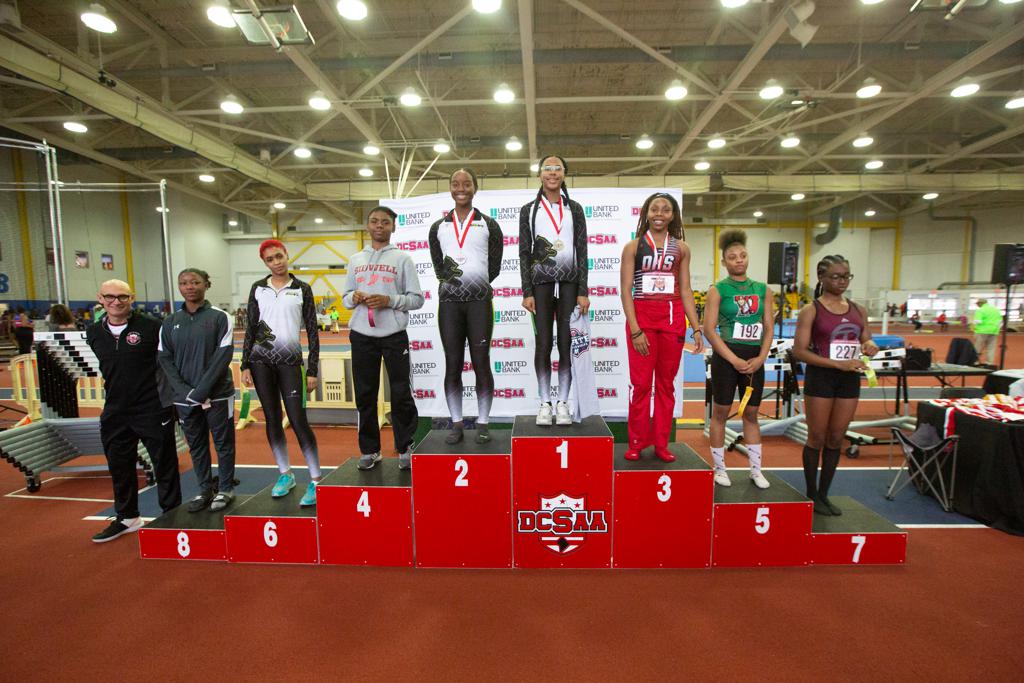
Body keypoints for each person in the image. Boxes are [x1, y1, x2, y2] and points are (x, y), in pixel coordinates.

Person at [86, 279, 182, 542]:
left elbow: (169, 363)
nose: (116, 302)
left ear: (132, 298)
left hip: (152, 407)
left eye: (122, 297)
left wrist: (174, 402)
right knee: (119, 464)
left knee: (165, 464)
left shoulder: (152, 327)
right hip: (115, 409)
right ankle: (127, 517)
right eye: (110, 297)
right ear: (100, 298)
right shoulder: (94, 331)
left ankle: (172, 516)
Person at [619, 192, 703, 463]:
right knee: (641, 385)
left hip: (672, 322)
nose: (659, 214)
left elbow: (687, 290)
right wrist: (635, 329)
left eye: (665, 210)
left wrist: (697, 328)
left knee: (666, 386)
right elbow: (625, 290)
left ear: (673, 215)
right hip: (642, 323)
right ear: (646, 213)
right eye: (654, 209)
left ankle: (661, 444)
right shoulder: (633, 247)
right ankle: (636, 442)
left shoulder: (682, 248)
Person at [792, 255, 878, 516]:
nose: (842, 281)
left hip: (849, 379)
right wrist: (836, 364)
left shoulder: (858, 309)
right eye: (836, 276)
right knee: (817, 437)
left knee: (836, 438)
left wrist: (870, 346)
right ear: (822, 278)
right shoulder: (812, 311)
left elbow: (865, 339)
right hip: (822, 378)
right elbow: (799, 351)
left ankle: (825, 494)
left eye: (846, 276)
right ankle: (811, 493)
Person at [240, 239, 322, 507]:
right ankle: (285, 475)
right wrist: (245, 364)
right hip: (261, 362)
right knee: (272, 419)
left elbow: (312, 331)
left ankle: (316, 479)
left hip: (290, 363)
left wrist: (312, 369)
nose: (277, 262)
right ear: (265, 263)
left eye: (279, 256)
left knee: (298, 420)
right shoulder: (258, 289)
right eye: (270, 260)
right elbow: (251, 328)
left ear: (287, 255)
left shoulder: (302, 289)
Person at [343, 206, 424, 470]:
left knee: (400, 393)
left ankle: (405, 447)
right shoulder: (355, 260)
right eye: (375, 221)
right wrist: (353, 298)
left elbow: (416, 299)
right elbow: (345, 299)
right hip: (362, 336)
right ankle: (370, 450)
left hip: (393, 335)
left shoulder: (403, 259)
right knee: (365, 394)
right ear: (367, 225)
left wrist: (389, 300)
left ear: (393, 227)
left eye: (385, 222)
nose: (379, 226)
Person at [429, 168, 503, 445]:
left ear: (475, 188)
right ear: (450, 188)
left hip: (479, 304)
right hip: (449, 304)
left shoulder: (489, 225)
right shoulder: (438, 227)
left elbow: (492, 266)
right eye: (455, 183)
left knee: (481, 364)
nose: (461, 187)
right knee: (453, 365)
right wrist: (456, 283)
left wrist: (475, 283)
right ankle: (457, 422)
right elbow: (439, 266)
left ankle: (483, 422)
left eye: (467, 183)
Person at [519, 154, 590, 426]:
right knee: (544, 344)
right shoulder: (529, 210)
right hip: (541, 284)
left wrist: (583, 289)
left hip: (571, 283)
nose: (552, 172)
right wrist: (527, 291)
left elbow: (582, 250)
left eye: (557, 168)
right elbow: (524, 252)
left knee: (566, 343)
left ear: (564, 174)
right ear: (540, 174)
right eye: (547, 168)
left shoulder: (575, 208)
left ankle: (563, 402)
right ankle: (544, 403)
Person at [158, 268, 237, 513]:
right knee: (197, 445)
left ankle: (225, 488)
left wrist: (200, 391)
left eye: (195, 282)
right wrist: (185, 392)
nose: (189, 286)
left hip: (218, 395)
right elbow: (165, 358)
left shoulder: (221, 317)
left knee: (224, 443)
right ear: (179, 287)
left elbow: (222, 356)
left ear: (206, 284)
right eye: (184, 283)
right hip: (184, 399)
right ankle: (204, 489)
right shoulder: (170, 322)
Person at [703, 229, 774, 488]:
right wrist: (732, 359)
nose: (739, 260)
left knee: (752, 413)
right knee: (720, 412)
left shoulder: (762, 290)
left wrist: (762, 357)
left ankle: (756, 470)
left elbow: (768, 327)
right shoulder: (718, 290)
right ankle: (720, 468)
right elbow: (709, 330)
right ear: (724, 261)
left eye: (742, 256)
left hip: (754, 358)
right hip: (726, 357)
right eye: (732, 257)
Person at [972, 298, 1002, 366]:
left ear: (980, 303)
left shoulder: (980, 310)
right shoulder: (996, 310)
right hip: (994, 331)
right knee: (991, 348)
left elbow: (978, 321)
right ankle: (989, 362)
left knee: (977, 347)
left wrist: (974, 326)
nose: (977, 305)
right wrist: (996, 329)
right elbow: (1000, 322)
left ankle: (975, 361)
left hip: (982, 331)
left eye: (977, 303)